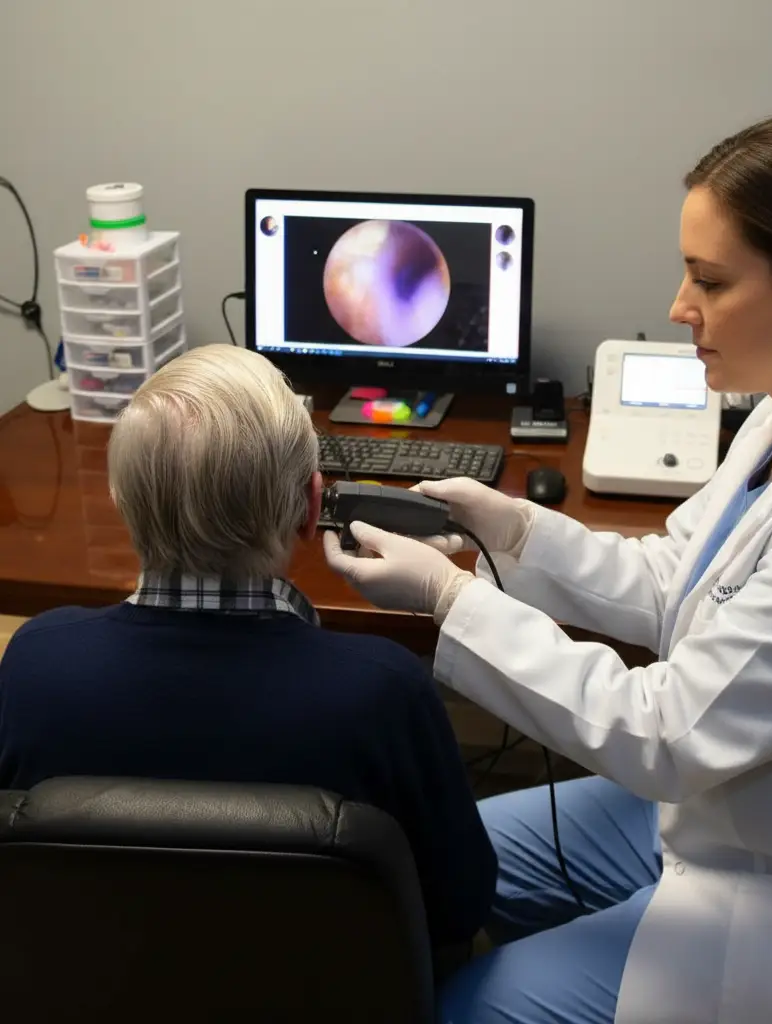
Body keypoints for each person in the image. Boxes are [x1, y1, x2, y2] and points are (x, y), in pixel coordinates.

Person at [324, 113, 772, 1023]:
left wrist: (451, 601)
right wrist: (516, 532)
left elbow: (666, 735)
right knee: (428, 860)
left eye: (710, 278)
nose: (679, 303)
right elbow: (674, 578)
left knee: (472, 1009)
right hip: (734, 811)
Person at [0, 345, 496, 964]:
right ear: (312, 508)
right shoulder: (383, 689)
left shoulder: (36, 663)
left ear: (122, 504)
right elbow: (461, 908)